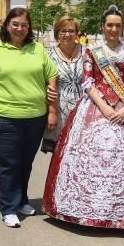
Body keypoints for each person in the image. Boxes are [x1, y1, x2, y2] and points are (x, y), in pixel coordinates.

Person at [43, 5, 124, 229]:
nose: (113, 29)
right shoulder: (93, 50)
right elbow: (87, 82)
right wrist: (105, 109)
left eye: (118, 25)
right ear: (103, 26)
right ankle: (85, 209)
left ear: (122, 27)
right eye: (110, 25)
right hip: (96, 107)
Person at [0, 8, 59, 228]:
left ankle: (21, 200)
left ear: (29, 27)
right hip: (6, 118)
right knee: (8, 165)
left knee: (26, 163)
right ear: (7, 26)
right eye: (15, 24)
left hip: (35, 118)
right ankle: (8, 208)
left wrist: (52, 110)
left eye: (23, 25)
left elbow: (52, 76)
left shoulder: (38, 49)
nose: (19, 29)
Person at [41, 16, 85, 153]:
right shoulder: (48, 55)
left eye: (71, 31)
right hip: (58, 113)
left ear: (77, 33)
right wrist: (50, 112)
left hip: (83, 113)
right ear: (57, 33)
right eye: (63, 31)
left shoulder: (87, 53)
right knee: (58, 157)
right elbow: (44, 83)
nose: (67, 34)